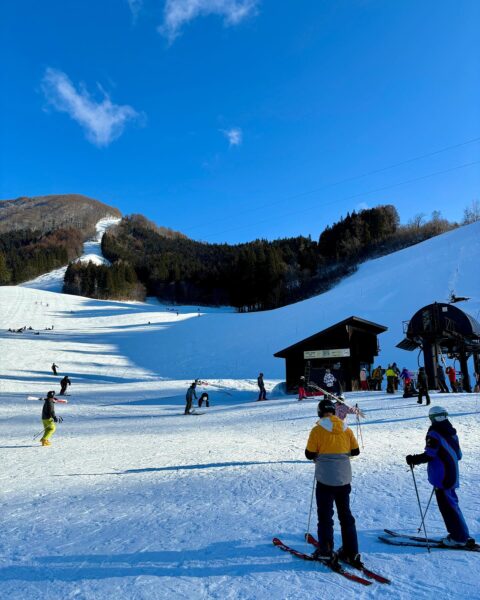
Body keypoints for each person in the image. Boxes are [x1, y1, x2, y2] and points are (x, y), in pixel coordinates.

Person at [406, 406, 474, 547]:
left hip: (442, 477)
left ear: (432, 418)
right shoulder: (451, 432)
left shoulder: (434, 433)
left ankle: (458, 538)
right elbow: (459, 455)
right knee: (452, 505)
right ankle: (460, 534)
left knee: (448, 507)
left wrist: (413, 459)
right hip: (452, 474)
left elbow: (430, 454)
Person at [305, 398, 361, 565]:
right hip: (344, 478)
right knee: (346, 515)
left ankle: (326, 550)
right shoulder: (345, 428)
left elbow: (309, 454)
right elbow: (356, 451)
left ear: (319, 412)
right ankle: (351, 552)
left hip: (325, 478)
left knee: (325, 515)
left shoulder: (317, 430)